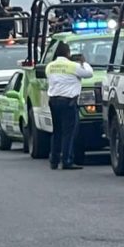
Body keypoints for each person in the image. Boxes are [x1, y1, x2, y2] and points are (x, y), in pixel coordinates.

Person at [45, 41, 93, 170]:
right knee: (68, 133)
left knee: (57, 131)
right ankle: (67, 160)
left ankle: (54, 160)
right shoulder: (73, 66)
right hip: (68, 102)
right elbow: (89, 74)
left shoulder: (49, 66)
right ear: (68, 53)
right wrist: (84, 62)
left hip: (53, 101)